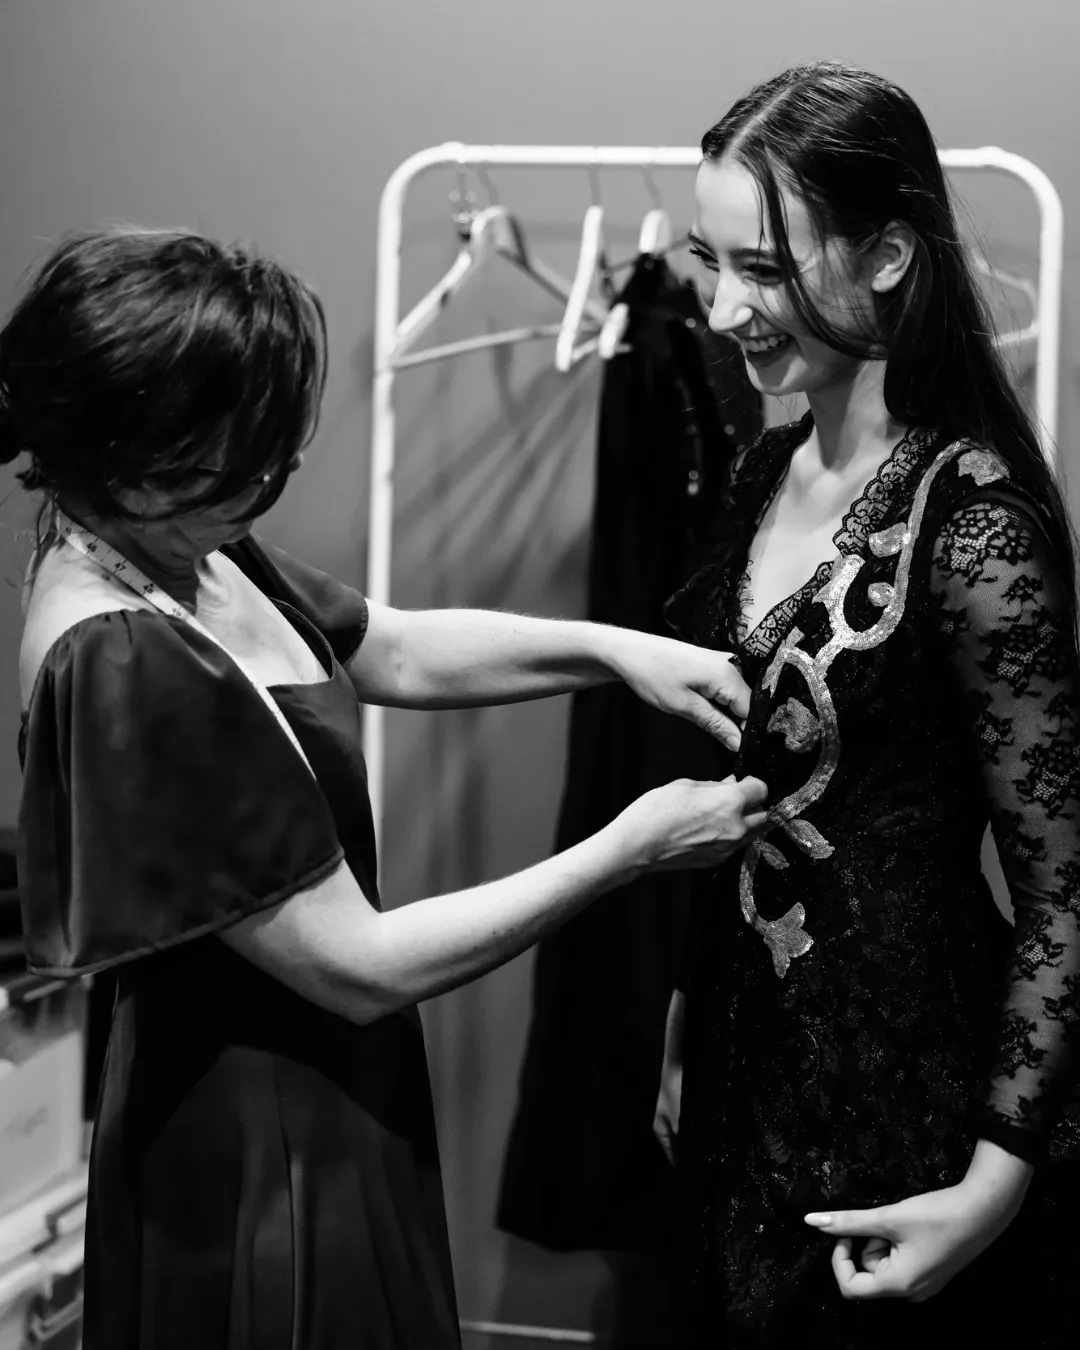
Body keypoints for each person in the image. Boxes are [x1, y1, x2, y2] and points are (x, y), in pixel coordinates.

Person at [0, 225, 768, 1350]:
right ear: (130, 453)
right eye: (247, 452)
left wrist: (615, 650)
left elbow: (392, 648)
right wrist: (632, 846)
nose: (280, 474)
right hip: (259, 1126)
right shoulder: (128, 661)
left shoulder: (182, 544)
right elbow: (360, 966)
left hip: (326, 1078)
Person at [653, 62, 1080, 1348]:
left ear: (889, 253)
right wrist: (685, 1010)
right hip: (739, 1088)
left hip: (910, 1132)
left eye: (767, 271)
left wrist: (996, 1183)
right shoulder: (767, 462)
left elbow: (1065, 890)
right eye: (708, 261)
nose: (725, 308)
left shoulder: (974, 520)